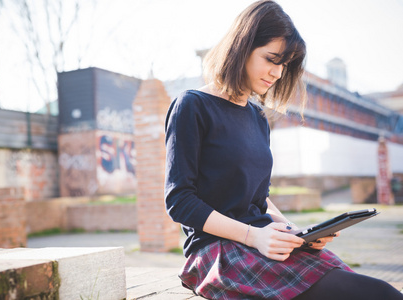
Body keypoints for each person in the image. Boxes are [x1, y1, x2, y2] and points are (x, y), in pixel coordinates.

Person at [164, 1, 403, 299]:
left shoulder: (258, 117)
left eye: (284, 65)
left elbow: (259, 199)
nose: (277, 73)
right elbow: (180, 201)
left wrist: (297, 233)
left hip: (265, 239)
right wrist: (254, 236)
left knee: (376, 291)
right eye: (271, 59)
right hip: (218, 252)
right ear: (241, 47)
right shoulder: (192, 105)